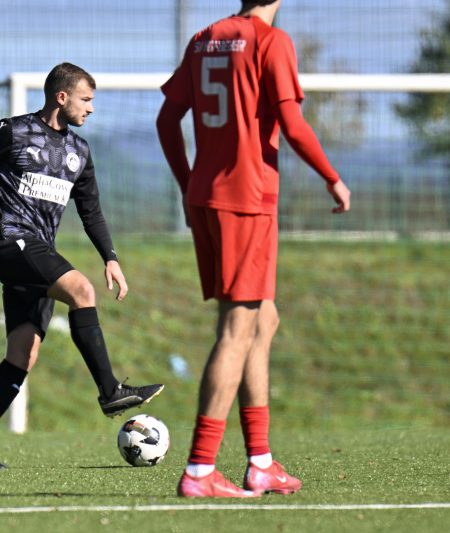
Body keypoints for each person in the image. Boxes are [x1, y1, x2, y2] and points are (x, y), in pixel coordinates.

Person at [157, 0, 351, 497]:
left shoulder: (204, 38)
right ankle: (200, 469)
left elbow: (166, 121)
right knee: (237, 327)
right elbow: (293, 123)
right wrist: (332, 177)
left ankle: (260, 462)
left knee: (263, 320)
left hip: (206, 196)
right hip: (246, 198)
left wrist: (187, 183)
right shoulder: (271, 41)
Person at [0, 63, 164, 469]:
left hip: (36, 254)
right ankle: (110, 391)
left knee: (23, 354)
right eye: (86, 99)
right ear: (62, 97)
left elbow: (91, 211)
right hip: (9, 242)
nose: (91, 108)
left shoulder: (80, 152)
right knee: (82, 290)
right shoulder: (13, 131)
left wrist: (110, 257)